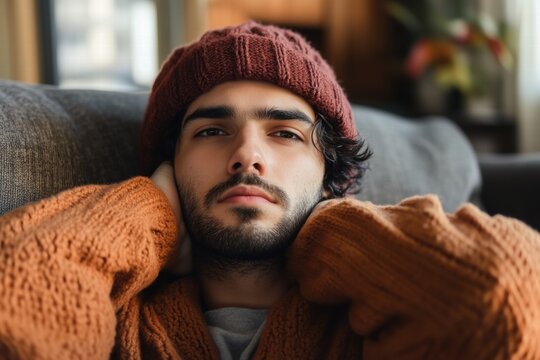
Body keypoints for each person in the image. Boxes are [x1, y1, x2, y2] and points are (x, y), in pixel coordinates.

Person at [0, 21, 539, 360]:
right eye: (211, 131)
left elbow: (505, 303)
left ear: (329, 173)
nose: (246, 154)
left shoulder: (367, 325)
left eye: (284, 133)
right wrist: (149, 212)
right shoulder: (120, 318)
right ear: (170, 165)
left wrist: (329, 228)